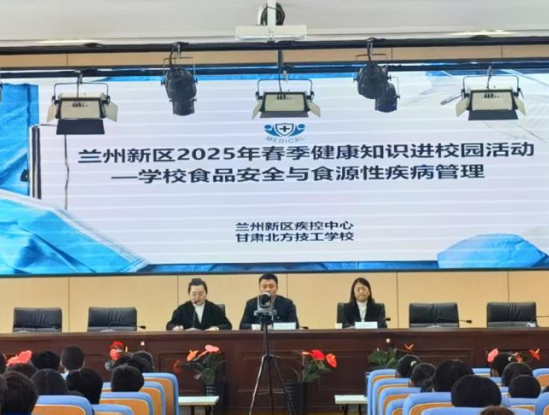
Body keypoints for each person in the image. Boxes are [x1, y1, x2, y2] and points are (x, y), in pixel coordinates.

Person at [166, 278, 232, 331]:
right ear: (189, 294)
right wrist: (176, 328)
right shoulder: (182, 309)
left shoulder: (213, 308)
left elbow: (227, 325)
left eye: (200, 294)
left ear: (206, 293)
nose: (197, 297)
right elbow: (169, 325)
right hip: (189, 342)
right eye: (194, 294)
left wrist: (215, 328)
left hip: (210, 341)